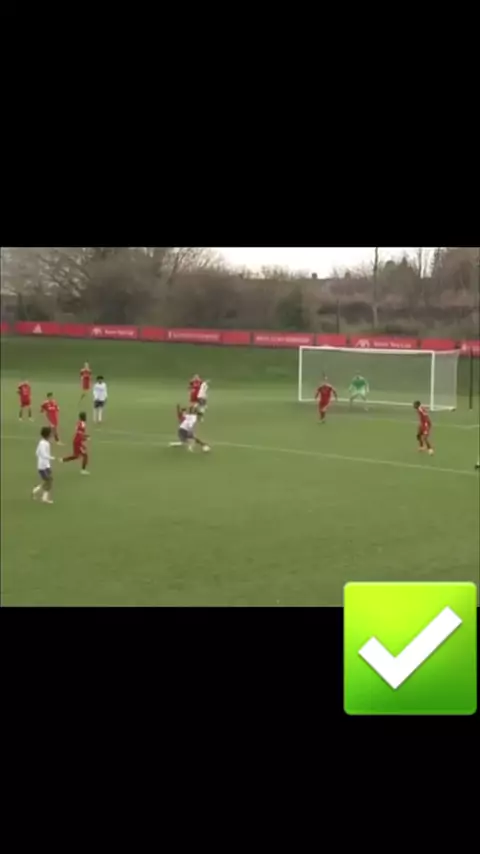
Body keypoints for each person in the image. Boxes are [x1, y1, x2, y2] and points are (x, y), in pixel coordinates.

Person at [32, 426, 55, 504]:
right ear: (48, 434)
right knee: (49, 480)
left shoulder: (43, 443)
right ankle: (43, 497)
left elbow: (37, 453)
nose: (51, 434)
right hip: (42, 467)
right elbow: (44, 454)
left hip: (46, 465)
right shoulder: (43, 444)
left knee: (49, 480)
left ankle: (36, 491)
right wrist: (51, 458)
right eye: (50, 433)